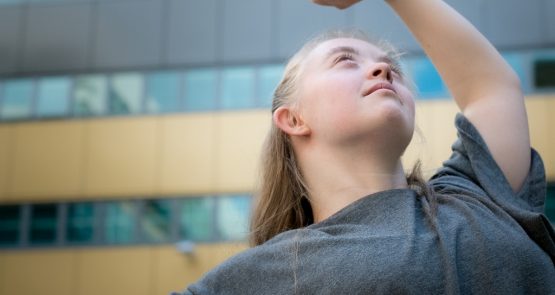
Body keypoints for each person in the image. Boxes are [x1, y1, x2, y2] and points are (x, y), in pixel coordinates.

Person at [175, 0, 555, 293]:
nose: (384, 70)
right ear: (293, 119)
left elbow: (493, 89)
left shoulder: (476, 194)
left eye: (392, 67)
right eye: (345, 61)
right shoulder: (255, 278)